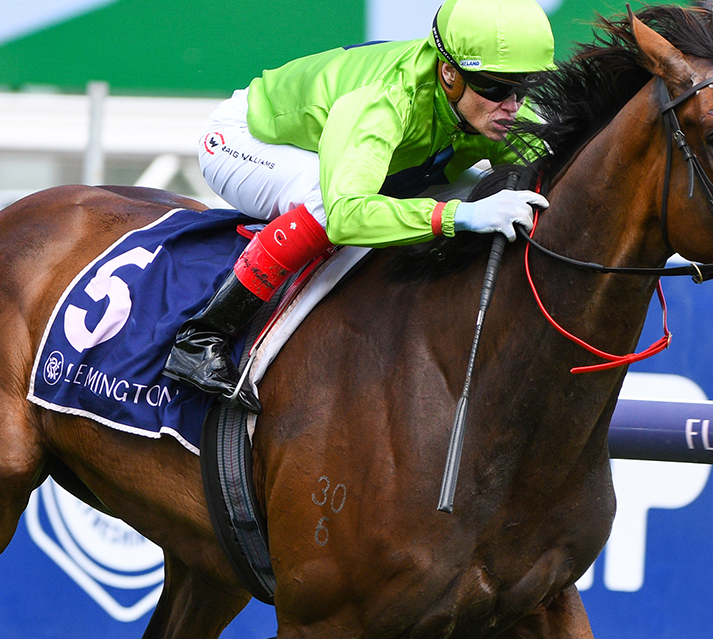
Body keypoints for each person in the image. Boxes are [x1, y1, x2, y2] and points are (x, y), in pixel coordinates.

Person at [163, 0, 556, 412]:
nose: (512, 105)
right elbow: (347, 214)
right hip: (246, 140)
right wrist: (462, 216)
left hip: (373, 159)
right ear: (449, 74)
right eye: (496, 87)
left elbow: (542, 185)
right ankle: (202, 338)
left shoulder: (494, 105)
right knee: (327, 201)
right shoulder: (387, 99)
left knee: (497, 197)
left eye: (523, 86)